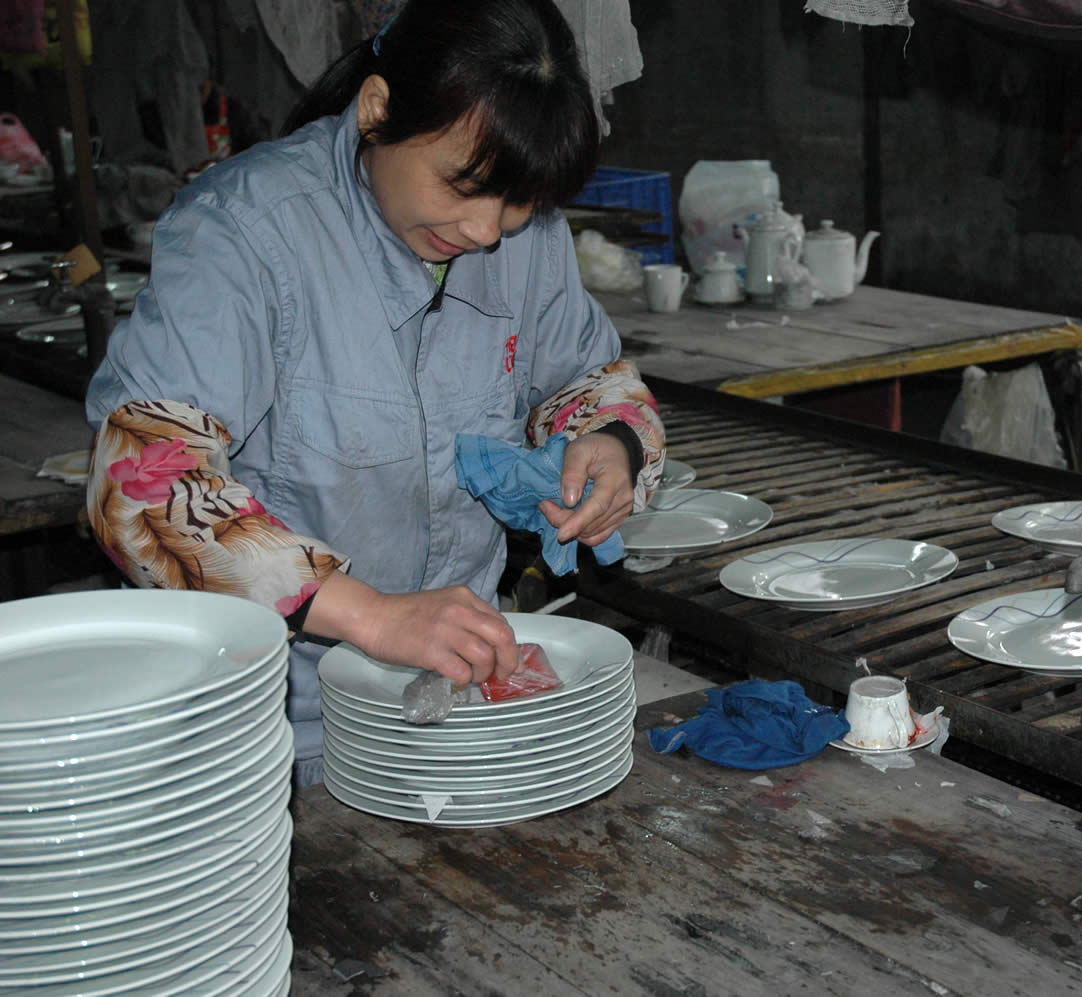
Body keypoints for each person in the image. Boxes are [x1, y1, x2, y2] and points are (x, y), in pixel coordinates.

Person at [84, 0, 665, 785]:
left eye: (516, 201)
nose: (486, 230)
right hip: (272, 731)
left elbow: (589, 377)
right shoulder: (245, 231)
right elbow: (139, 483)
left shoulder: (526, 240)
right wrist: (371, 614)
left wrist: (611, 441)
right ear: (377, 110)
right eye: (465, 185)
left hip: (456, 702)